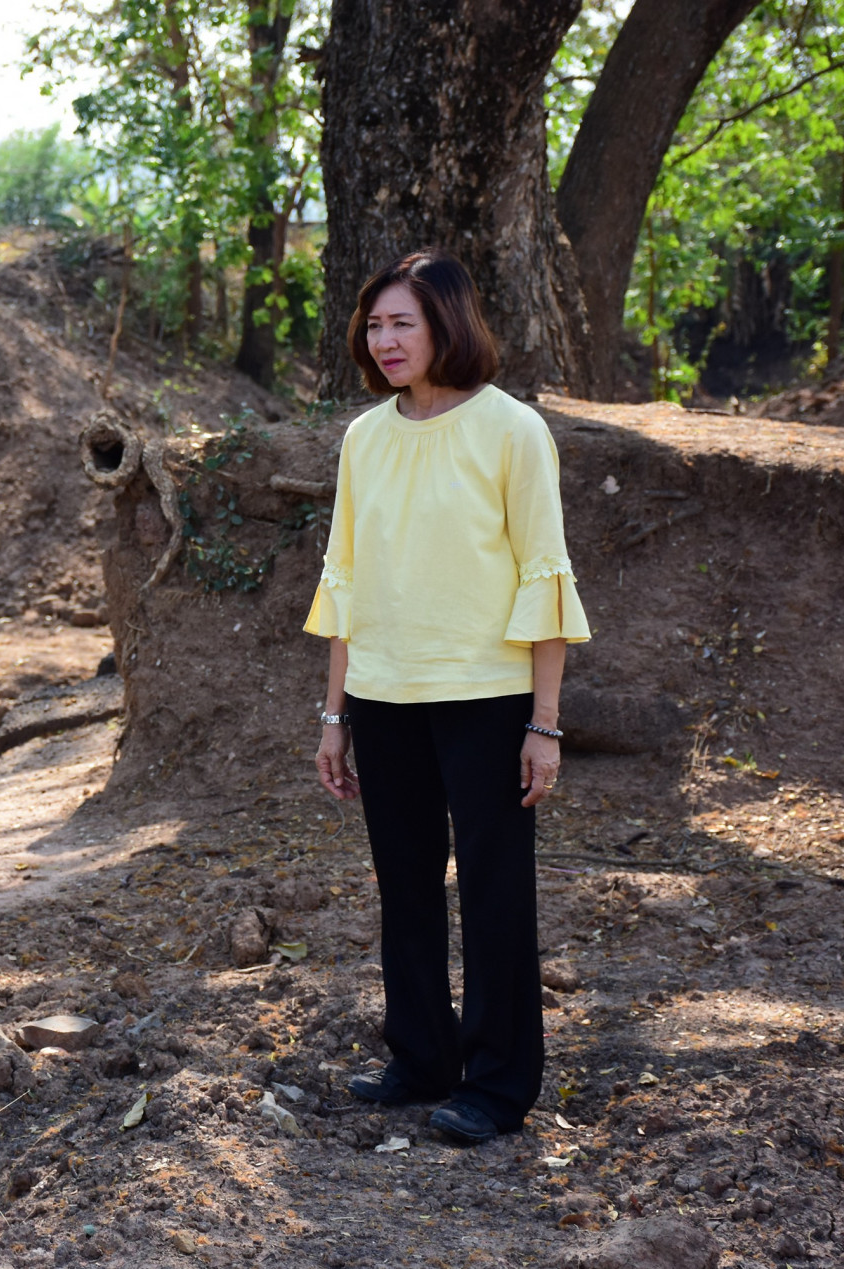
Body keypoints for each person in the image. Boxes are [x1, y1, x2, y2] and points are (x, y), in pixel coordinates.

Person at [305, 249, 590, 1145]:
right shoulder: (363, 436)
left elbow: (545, 573)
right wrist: (334, 712)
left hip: (488, 697)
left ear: (446, 325)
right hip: (383, 697)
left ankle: (497, 1084)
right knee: (405, 885)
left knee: (496, 890)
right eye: (374, 324)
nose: (383, 340)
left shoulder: (511, 431)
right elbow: (344, 579)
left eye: (403, 323)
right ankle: (420, 1058)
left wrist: (543, 723)